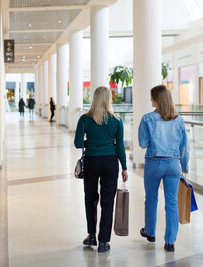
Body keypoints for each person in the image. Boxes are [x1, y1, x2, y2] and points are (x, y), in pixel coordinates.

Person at [74, 86, 128, 253]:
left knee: (90, 198)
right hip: (111, 162)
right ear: (108, 99)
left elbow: (77, 143)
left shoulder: (84, 119)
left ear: (94, 99)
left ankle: (91, 236)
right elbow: (120, 147)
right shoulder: (117, 120)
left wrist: (92, 144)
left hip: (92, 161)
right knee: (107, 202)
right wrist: (124, 168)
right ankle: (104, 242)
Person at [138, 85, 189, 253]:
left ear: (157, 100)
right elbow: (184, 147)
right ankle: (170, 241)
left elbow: (142, 143)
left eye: (152, 97)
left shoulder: (147, 119)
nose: (150, 100)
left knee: (151, 199)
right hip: (173, 164)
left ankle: (150, 233)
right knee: (172, 203)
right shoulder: (179, 120)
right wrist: (185, 165)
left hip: (153, 163)